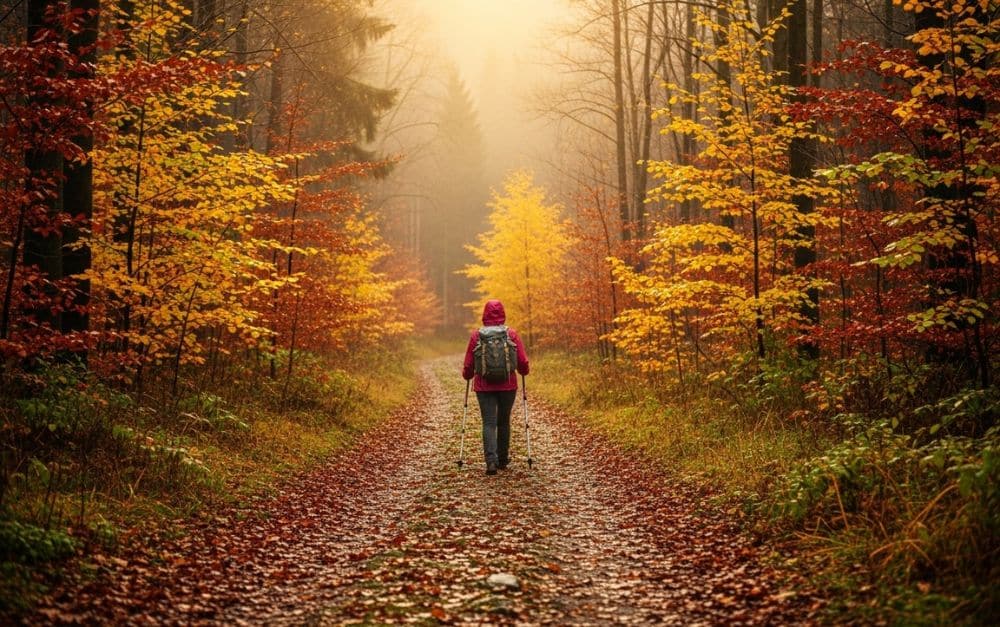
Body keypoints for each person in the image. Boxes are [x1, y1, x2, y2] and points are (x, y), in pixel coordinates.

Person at [462, 299, 529, 475]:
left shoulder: (477, 335)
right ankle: (503, 459)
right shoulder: (511, 334)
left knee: (489, 422)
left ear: (484, 314)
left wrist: (467, 375)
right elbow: (522, 361)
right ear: (503, 313)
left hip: (484, 386)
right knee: (504, 421)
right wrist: (524, 370)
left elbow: (468, 365)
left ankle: (491, 462)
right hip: (508, 385)